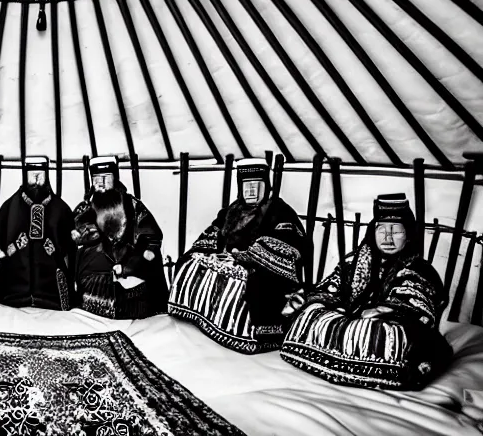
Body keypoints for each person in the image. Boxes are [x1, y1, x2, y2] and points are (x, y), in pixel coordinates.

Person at [281, 193, 452, 390]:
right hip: (352, 318)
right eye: (382, 230)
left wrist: (387, 311)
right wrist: (308, 299)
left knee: (376, 332)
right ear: (373, 231)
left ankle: (359, 357)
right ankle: (349, 354)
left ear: (408, 235)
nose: (388, 237)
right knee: (312, 313)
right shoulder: (354, 261)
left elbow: (419, 305)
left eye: (396, 231)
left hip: (386, 325)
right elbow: (332, 287)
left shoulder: (419, 268)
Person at [168, 158, 311, 354]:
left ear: (266, 185)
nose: (251, 191)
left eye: (256, 185)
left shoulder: (279, 210)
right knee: (191, 261)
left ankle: (257, 333)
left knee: (251, 282)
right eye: (246, 185)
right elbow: (214, 231)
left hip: (262, 267)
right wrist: (210, 252)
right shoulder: (233, 210)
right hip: (230, 259)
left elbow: (289, 242)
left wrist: (248, 256)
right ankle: (198, 317)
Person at [72, 156, 168, 319]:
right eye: (96, 179)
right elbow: (78, 233)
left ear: (115, 178)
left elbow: (149, 230)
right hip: (97, 261)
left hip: (128, 257)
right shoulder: (85, 207)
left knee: (142, 276)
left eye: (106, 178)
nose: (101, 183)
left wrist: (149, 248)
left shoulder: (132, 204)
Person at [0, 157, 75, 309]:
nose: (36, 178)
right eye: (32, 174)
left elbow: (71, 253)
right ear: (24, 175)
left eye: (40, 174)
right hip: (14, 295)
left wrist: (55, 250)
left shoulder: (61, 209)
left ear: (47, 175)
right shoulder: (9, 208)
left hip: (52, 295)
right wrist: (15, 246)